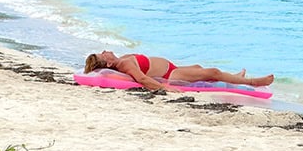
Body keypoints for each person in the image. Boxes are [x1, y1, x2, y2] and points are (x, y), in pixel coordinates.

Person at [84, 51, 275, 92]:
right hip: (172, 76)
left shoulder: (122, 59)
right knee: (213, 72)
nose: (105, 51)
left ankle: (234, 78)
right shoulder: (124, 65)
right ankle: (253, 82)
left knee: (199, 68)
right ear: (108, 64)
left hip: (172, 68)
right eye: (103, 55)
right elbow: (143, 79)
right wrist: (165, 89)